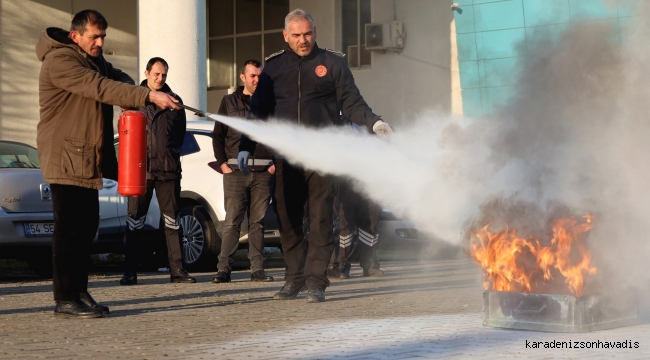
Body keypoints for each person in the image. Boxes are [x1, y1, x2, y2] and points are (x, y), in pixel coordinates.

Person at [238, 8, 393, 303]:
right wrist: (245, 145)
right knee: (288, 219)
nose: (303, 40)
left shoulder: (332, 64)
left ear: (315, 32)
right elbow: (258, 112)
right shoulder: (273, 68)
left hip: (323, 157)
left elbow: (352, 102)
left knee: (322, 220)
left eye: (307, 33)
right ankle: (294, 279)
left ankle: (316, 282)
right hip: (286, 158)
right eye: (296, 35)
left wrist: (374, 122)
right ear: (286, 36)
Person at [36, 10, 180, 318]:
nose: (101, 42)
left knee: (87, 227)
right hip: (64, 156)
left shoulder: (94, 60)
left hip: (86, 157)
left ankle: (79, 290)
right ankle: (65, 298)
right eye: (94, 37)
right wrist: (148, 96)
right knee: (69, 229)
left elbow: (120, 80)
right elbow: (100, 87)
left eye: (103, 36)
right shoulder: (61, 61)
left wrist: (139, 92)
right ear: (75, 36)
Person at [120, 57, 196, 286]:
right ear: (147, 72)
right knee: (134, 222)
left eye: (164, 74)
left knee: (173, 222)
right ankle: (130, 272)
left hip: (168, 171)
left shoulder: (175, 101)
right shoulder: (135, 98)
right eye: (156, 74)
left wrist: (170, 156)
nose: (160, 78)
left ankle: (177, 271)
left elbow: (179, 134)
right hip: (140, 172)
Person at [211, 59, 275, 284]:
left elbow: (278, 133)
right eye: (252, 76)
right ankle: (223, 270)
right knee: (232, 221)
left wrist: (273, 162)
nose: (256, 80)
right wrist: (222, 164)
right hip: (236, 171)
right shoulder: (228, 102)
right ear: (242, 77)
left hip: (263, 171)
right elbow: (218, 135)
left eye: (259, 76)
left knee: (258, 222)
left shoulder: (269, 103)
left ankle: (257, 270)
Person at [328, 179, 384, 279]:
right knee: (343, 225)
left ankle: (369, 264)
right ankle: (340, 265)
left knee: (371, 225)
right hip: (345, 182)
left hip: (372, 182)